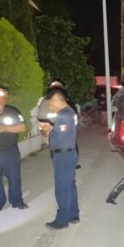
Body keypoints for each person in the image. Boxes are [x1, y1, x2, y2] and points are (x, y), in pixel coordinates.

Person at [0, 85, 28, 215]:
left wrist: (5, 129)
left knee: (14, 178)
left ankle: (17, 201)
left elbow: (22, 127)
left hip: (10, 151)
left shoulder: (12, 112)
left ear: (4, 101)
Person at [44, 88, 79, 229]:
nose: (50, 107)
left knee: (62, 188)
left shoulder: (64, 115)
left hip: (63, 155)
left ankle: (62, 219)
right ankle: (73, 214)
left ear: (58, 100)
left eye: (51, 104)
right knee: (69, 185)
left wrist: (48, 131)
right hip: (68, 153)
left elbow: (60, 136)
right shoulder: (69, 112)